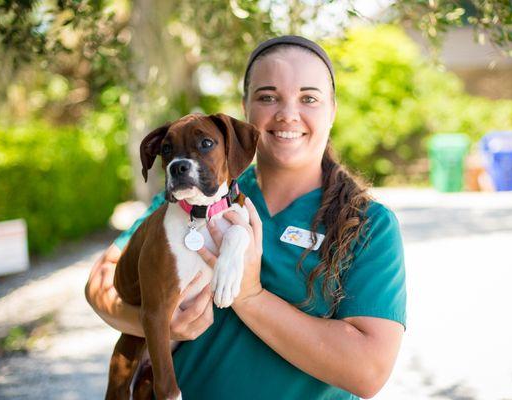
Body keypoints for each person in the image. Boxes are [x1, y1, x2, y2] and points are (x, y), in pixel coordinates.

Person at [86, 35, 406, 399]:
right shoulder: (189, 199)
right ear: (245, 108)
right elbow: (101, 284)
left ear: (332, 109)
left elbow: (368, 372)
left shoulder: (368, 225)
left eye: (309, 98)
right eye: (268, 97)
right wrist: (163, 324)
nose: (287, 114)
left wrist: (249, 295)